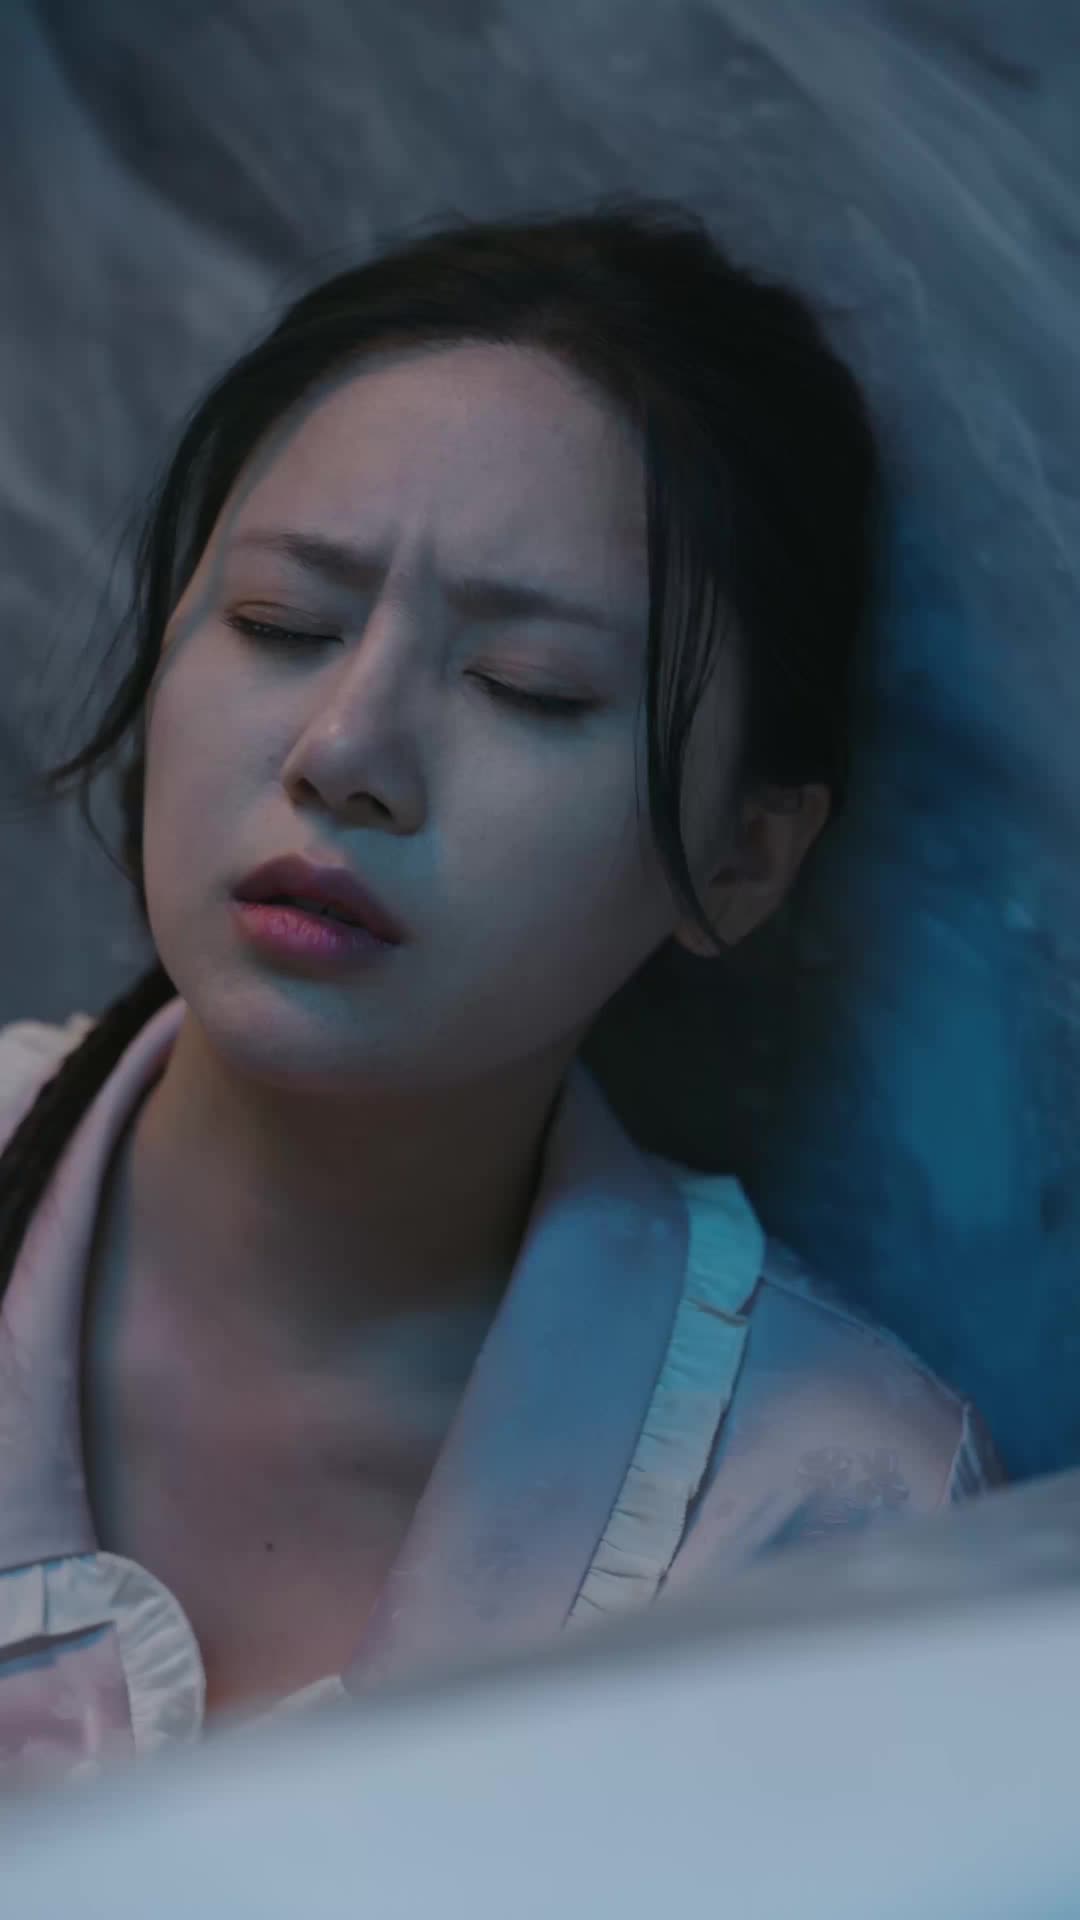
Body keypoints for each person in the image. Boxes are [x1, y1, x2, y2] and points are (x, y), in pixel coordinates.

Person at [0, 200, 1003, 1790]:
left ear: (741, 858)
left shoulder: (831, 1525)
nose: (346, 753)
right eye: (281, 623)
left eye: (527, 689)